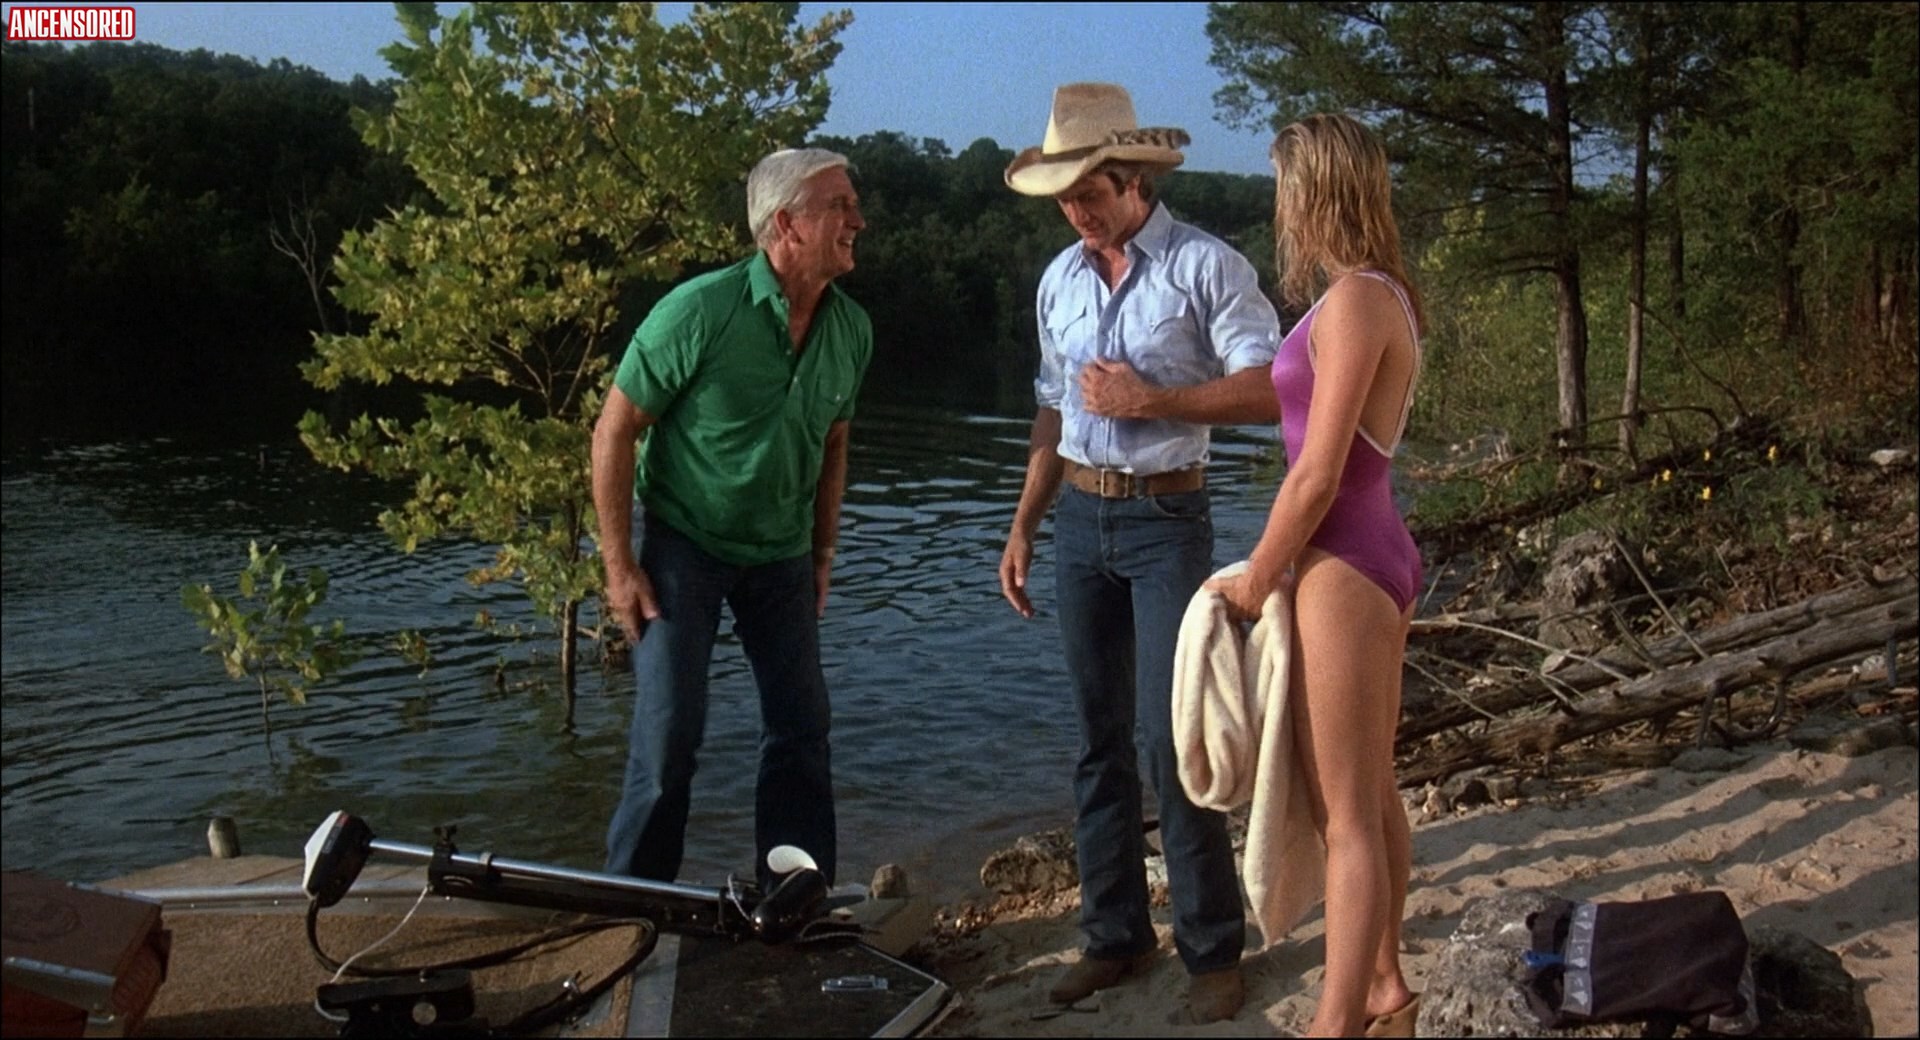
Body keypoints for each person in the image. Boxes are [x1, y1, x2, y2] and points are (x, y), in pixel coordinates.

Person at [998, 82, 1282, 1025]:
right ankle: (1114, 938)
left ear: (1133, 181)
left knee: (1172, 737)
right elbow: (1053, 408)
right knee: (1097, 740)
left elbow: (1269, 390)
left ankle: (1211, 951)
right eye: (1064, 198)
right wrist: (1023, 524)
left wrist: (1150, 400)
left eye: (1089, 193)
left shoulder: (1206, 266)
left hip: (1168, 520)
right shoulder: (1059, 279)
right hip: (1079, 520)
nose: (1077, 212)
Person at [592, 147, 871, 892]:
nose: (858, 220)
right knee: (670, 735)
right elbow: (614, 429)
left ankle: (794, 898)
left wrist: (822, 555)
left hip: (781, 555)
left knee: (802, 727)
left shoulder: (852, 330)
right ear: (786, 224)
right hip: (685, 546)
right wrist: (620, 567)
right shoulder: (699, 311)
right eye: (839, 206)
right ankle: (633, 905)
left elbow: (833, 442)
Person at [1206, 113, 1424, 1037]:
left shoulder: (1358, 300)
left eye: (1284, 188)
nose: (1279, 206)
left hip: (1345, 562)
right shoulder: (1371, 293)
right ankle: (1385, 987)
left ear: (1315, 190)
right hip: (1371, 553)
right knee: (1372, 791)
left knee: (1346, 817)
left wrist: (1257, 577)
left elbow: (1318, 473)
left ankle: (1337, 1024)